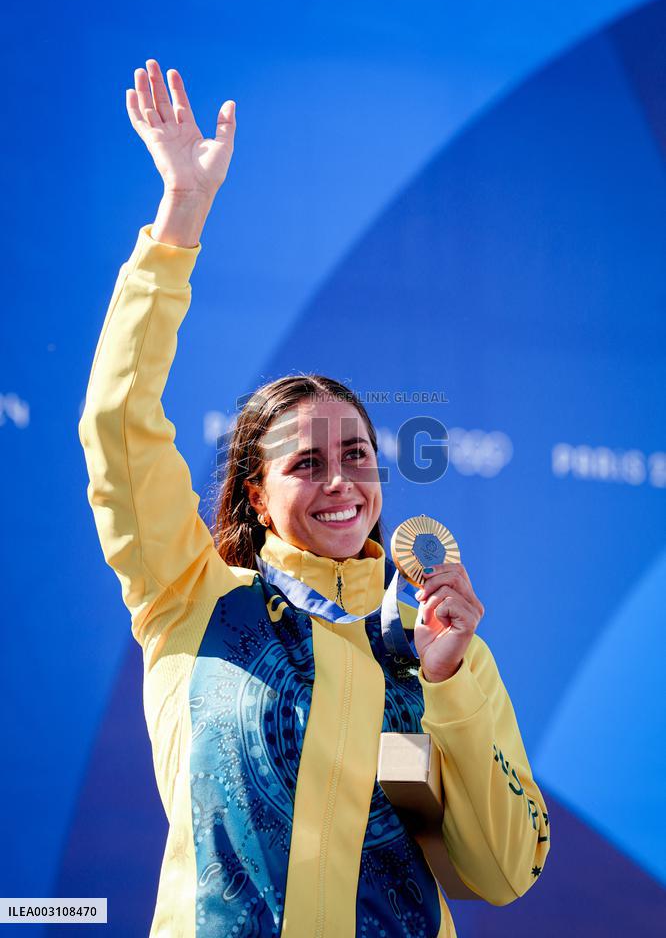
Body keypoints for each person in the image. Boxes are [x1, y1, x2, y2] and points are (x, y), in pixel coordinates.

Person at [78, 58, 550, 938]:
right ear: (255, 495)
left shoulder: (433, 650)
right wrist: (180, 215)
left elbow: (500, 874)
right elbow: (117, 423)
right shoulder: (189, 599)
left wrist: (450, 685)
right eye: (307, 463)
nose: (340, 481)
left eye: (357, 456)